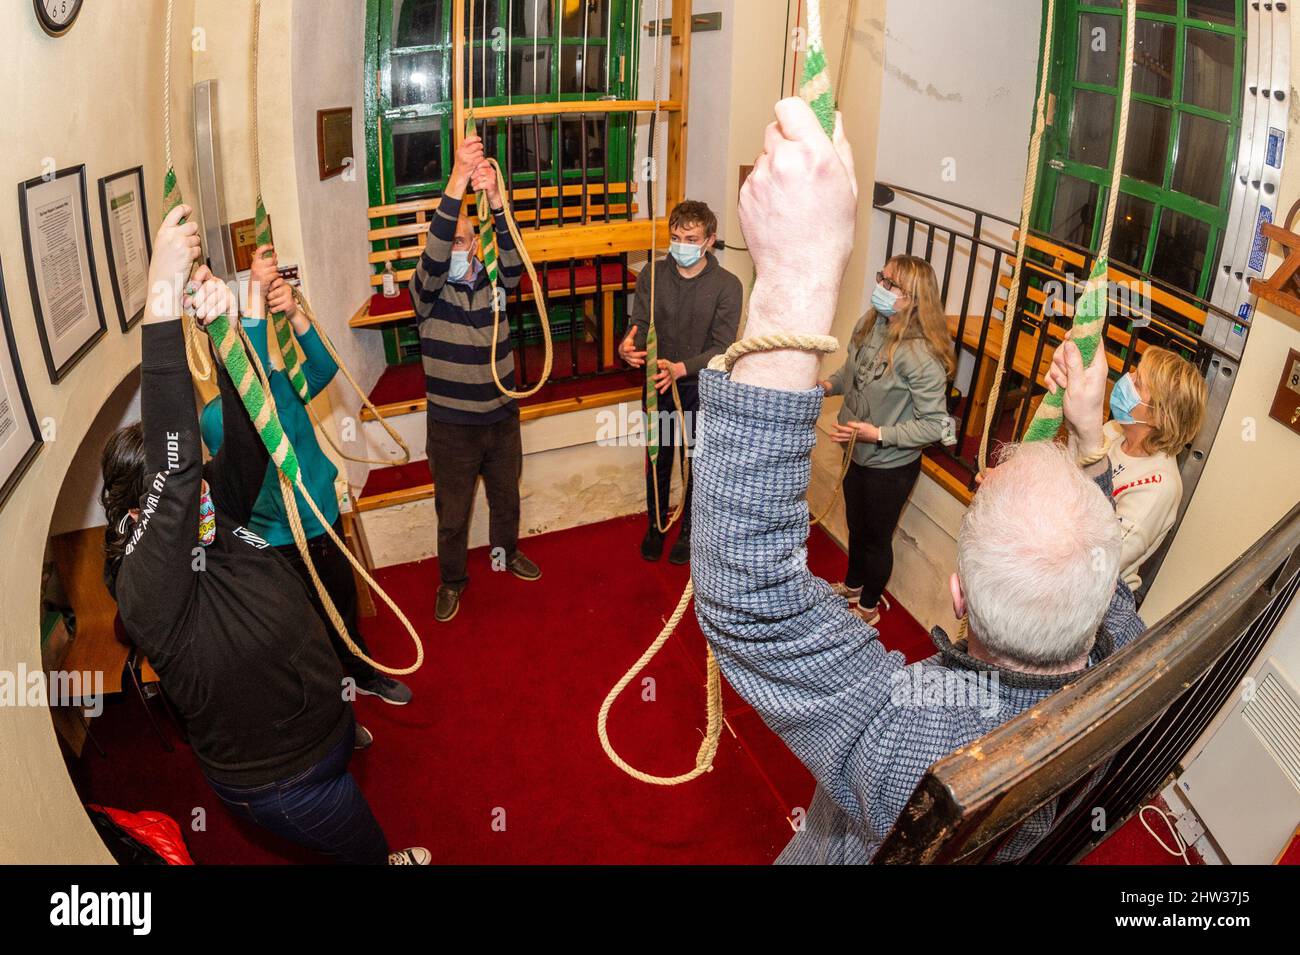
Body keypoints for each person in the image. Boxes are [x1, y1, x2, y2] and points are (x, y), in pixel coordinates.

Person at [690, 97, 1146, 864]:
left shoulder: (914, 737)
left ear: (957, 593)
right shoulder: (1124, 681)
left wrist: (797, 276)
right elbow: (1122, 607)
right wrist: (1092, 435)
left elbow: (748, 593)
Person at [102, 204, 427, 865]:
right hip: (287, 779)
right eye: (184, 486)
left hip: (319, 735)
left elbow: (249, 438)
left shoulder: (208, 512)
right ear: (142, 517)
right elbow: (177, 458)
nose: (201, 489)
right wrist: (162, 299)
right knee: (363, 850)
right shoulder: (148, 590)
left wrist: (230, 334)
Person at [199, 243, 412, 706]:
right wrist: (253, 294)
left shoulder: (280, 382)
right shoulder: (219, 418)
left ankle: (362, 672)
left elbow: (323, 366)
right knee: (301, 627)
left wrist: (293, 313)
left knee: (341, 604)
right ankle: (326, 703)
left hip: (319, 517)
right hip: (275, 538)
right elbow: (252, 397)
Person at [409, 133, 541, 623]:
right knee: (453, 513)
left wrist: (495, 201)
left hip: (502, 415)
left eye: (470, 241)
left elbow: (514, 257)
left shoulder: (498, 286)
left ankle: (505, 554)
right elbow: (438, 248)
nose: (462, 248)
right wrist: (458, 180)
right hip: (452, 427)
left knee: (506, 497)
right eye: (458, 242)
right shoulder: (427, 294)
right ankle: (452, 581)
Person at [819, 254, 955, 624]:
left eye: (892, 284)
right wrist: (827, 385)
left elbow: (938, 426)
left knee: (877, 539)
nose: (881, 286)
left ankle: (868, 609)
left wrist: (877, 434)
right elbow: (852, 371)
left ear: (914, 298)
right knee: (857, 528)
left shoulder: (921, 353)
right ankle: (852, 585)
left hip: (890, 467)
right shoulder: (873, 322)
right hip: (855, 454)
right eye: (883, 276)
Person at [619, 200, 742, 564]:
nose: (681, 245)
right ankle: (655, 525)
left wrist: (683, 368)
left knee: (694, 462)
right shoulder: (651, 275)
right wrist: (627, 345)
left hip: (701, 389)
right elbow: (639, 326)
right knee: (658, 459)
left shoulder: (727, 286)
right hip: (657, 383)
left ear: (709, 241)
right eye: (675, 237)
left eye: (691, 238)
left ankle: (689, 530)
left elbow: (723, 348)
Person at [1102, 346, 1207, 593]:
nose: (1126, 380)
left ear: (1159, 416)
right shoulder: (1114, 431)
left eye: (1138, 383)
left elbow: (1102, 564)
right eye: (1134, 373)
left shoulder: (1159, 486)